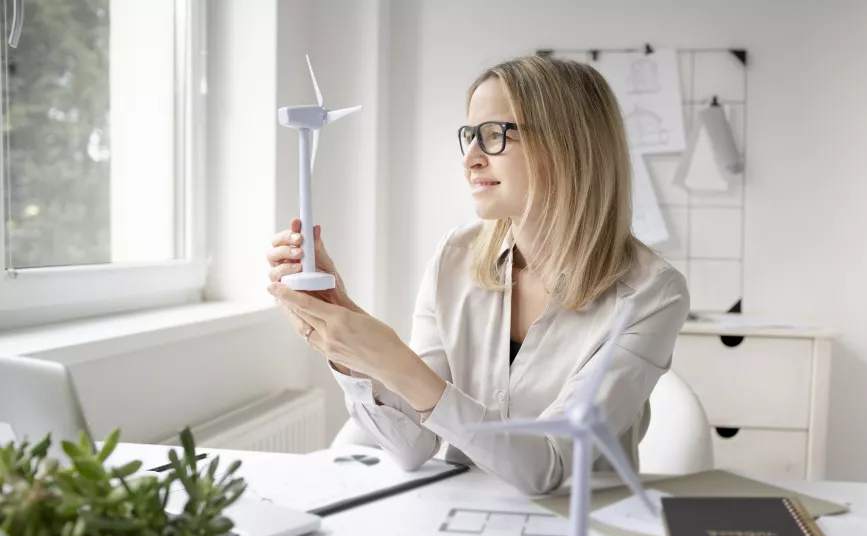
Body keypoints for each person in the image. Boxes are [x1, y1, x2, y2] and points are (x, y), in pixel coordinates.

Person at [265, 55, 690, 496]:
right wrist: (346, 334)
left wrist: (394, 359)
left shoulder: (652, 293)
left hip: (579, 532)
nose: (470, 160)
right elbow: (413, 447)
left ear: (570, 147)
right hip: (458, 525)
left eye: (493, 136)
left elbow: (548, 466)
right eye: (470, 136)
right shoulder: (454, 257)